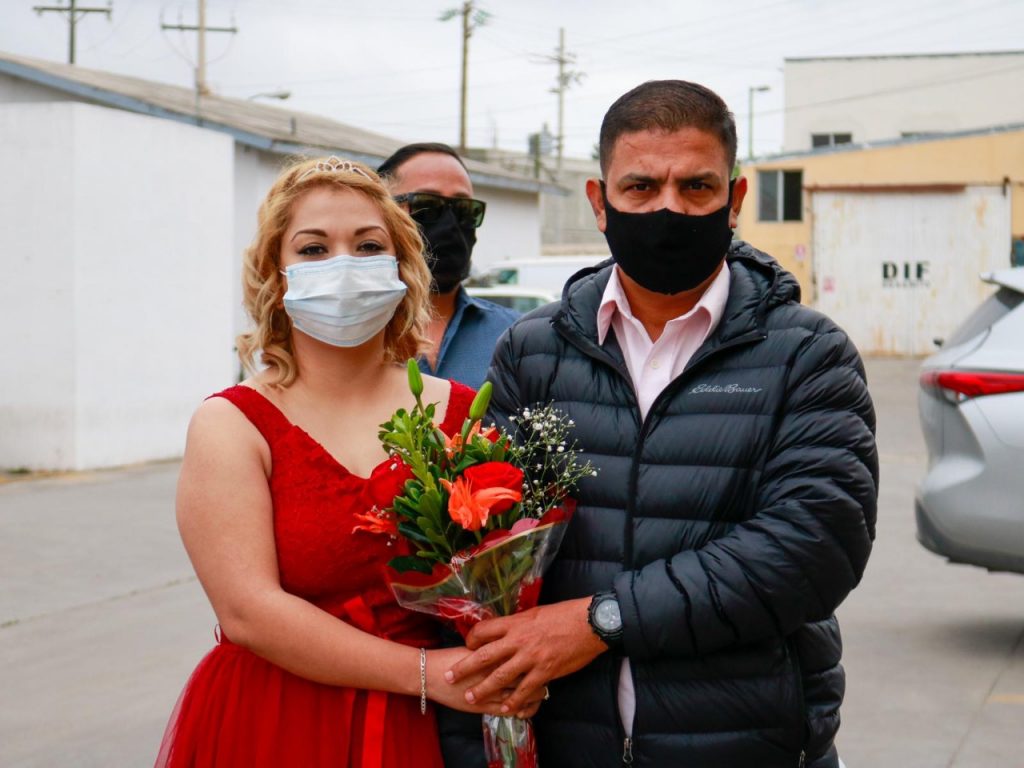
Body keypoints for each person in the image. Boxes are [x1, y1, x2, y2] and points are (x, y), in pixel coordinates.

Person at [443, 81, 879, 767]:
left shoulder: (805, 354)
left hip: (745, 743)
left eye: (696, 188)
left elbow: (812, 548)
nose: (668, 209)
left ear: (734, 201)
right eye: (641, 188)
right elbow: (482, 548)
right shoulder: (535, 351)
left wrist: (601, 621)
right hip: (566, 744)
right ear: (599, 202)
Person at [154, 155, 541, 768]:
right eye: (313, 249)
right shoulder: (233, 424)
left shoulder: (459, 414)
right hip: (279, 720)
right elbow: (248, 611)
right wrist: (426, 673)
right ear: (276, 277)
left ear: (400, 267)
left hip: (430, 727)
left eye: (367, 246)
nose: (344, 266)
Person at [378, 143, 519, 389]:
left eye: (464, 209)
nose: (451, 224)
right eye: (427, 206)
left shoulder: (517, 337)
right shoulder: (350, 335)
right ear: (381, 213)